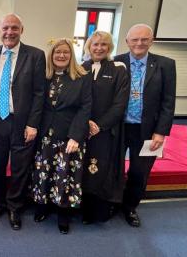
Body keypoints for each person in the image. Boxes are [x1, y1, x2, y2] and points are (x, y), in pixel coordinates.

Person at [0, 13, 46, 230]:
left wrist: (33, 124)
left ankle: (14, 207)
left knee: (20, 168)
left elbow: (40, 93)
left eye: (14, 28)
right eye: (5, 28)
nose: (9, 32)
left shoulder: (36, 55)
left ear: (22, 30)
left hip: (22, 122)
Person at [114, 24, 176, 228]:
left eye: (144, 39)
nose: (139, 43)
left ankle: (130, 207)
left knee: (140, 172)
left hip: (149, 131)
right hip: (119, 128)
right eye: (135, 39)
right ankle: (113, 202)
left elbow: (168, 101)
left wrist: (161, 132)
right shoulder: (116, 62)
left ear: (152, 40)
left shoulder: (166, 65)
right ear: (127, 41)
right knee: (113, 169)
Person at [32, 38, 91, 234]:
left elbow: (85, 108)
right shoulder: (45, 76)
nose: (61, 55)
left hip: (69, 137)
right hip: (46, 135)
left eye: (65, 52)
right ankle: (43, 206)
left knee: (66, 175)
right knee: (44, 172)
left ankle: (63, 212)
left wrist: (76, 136)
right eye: (57, 52)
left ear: (71, 55)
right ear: (51, 55)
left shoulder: (81, 77)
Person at [81, 31, 129, 224]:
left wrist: (99, 125)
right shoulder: (80, 68)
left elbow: (120, 104)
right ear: (89, 47)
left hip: (105, 132)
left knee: (100, 170)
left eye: (104, 45)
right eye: (95, 44)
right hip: (82, 129)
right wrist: (85, 123)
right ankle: (81, 209)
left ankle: (98, 212)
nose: (99, 48)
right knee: (82, 168)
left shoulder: (118, 70)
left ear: (109, 48)